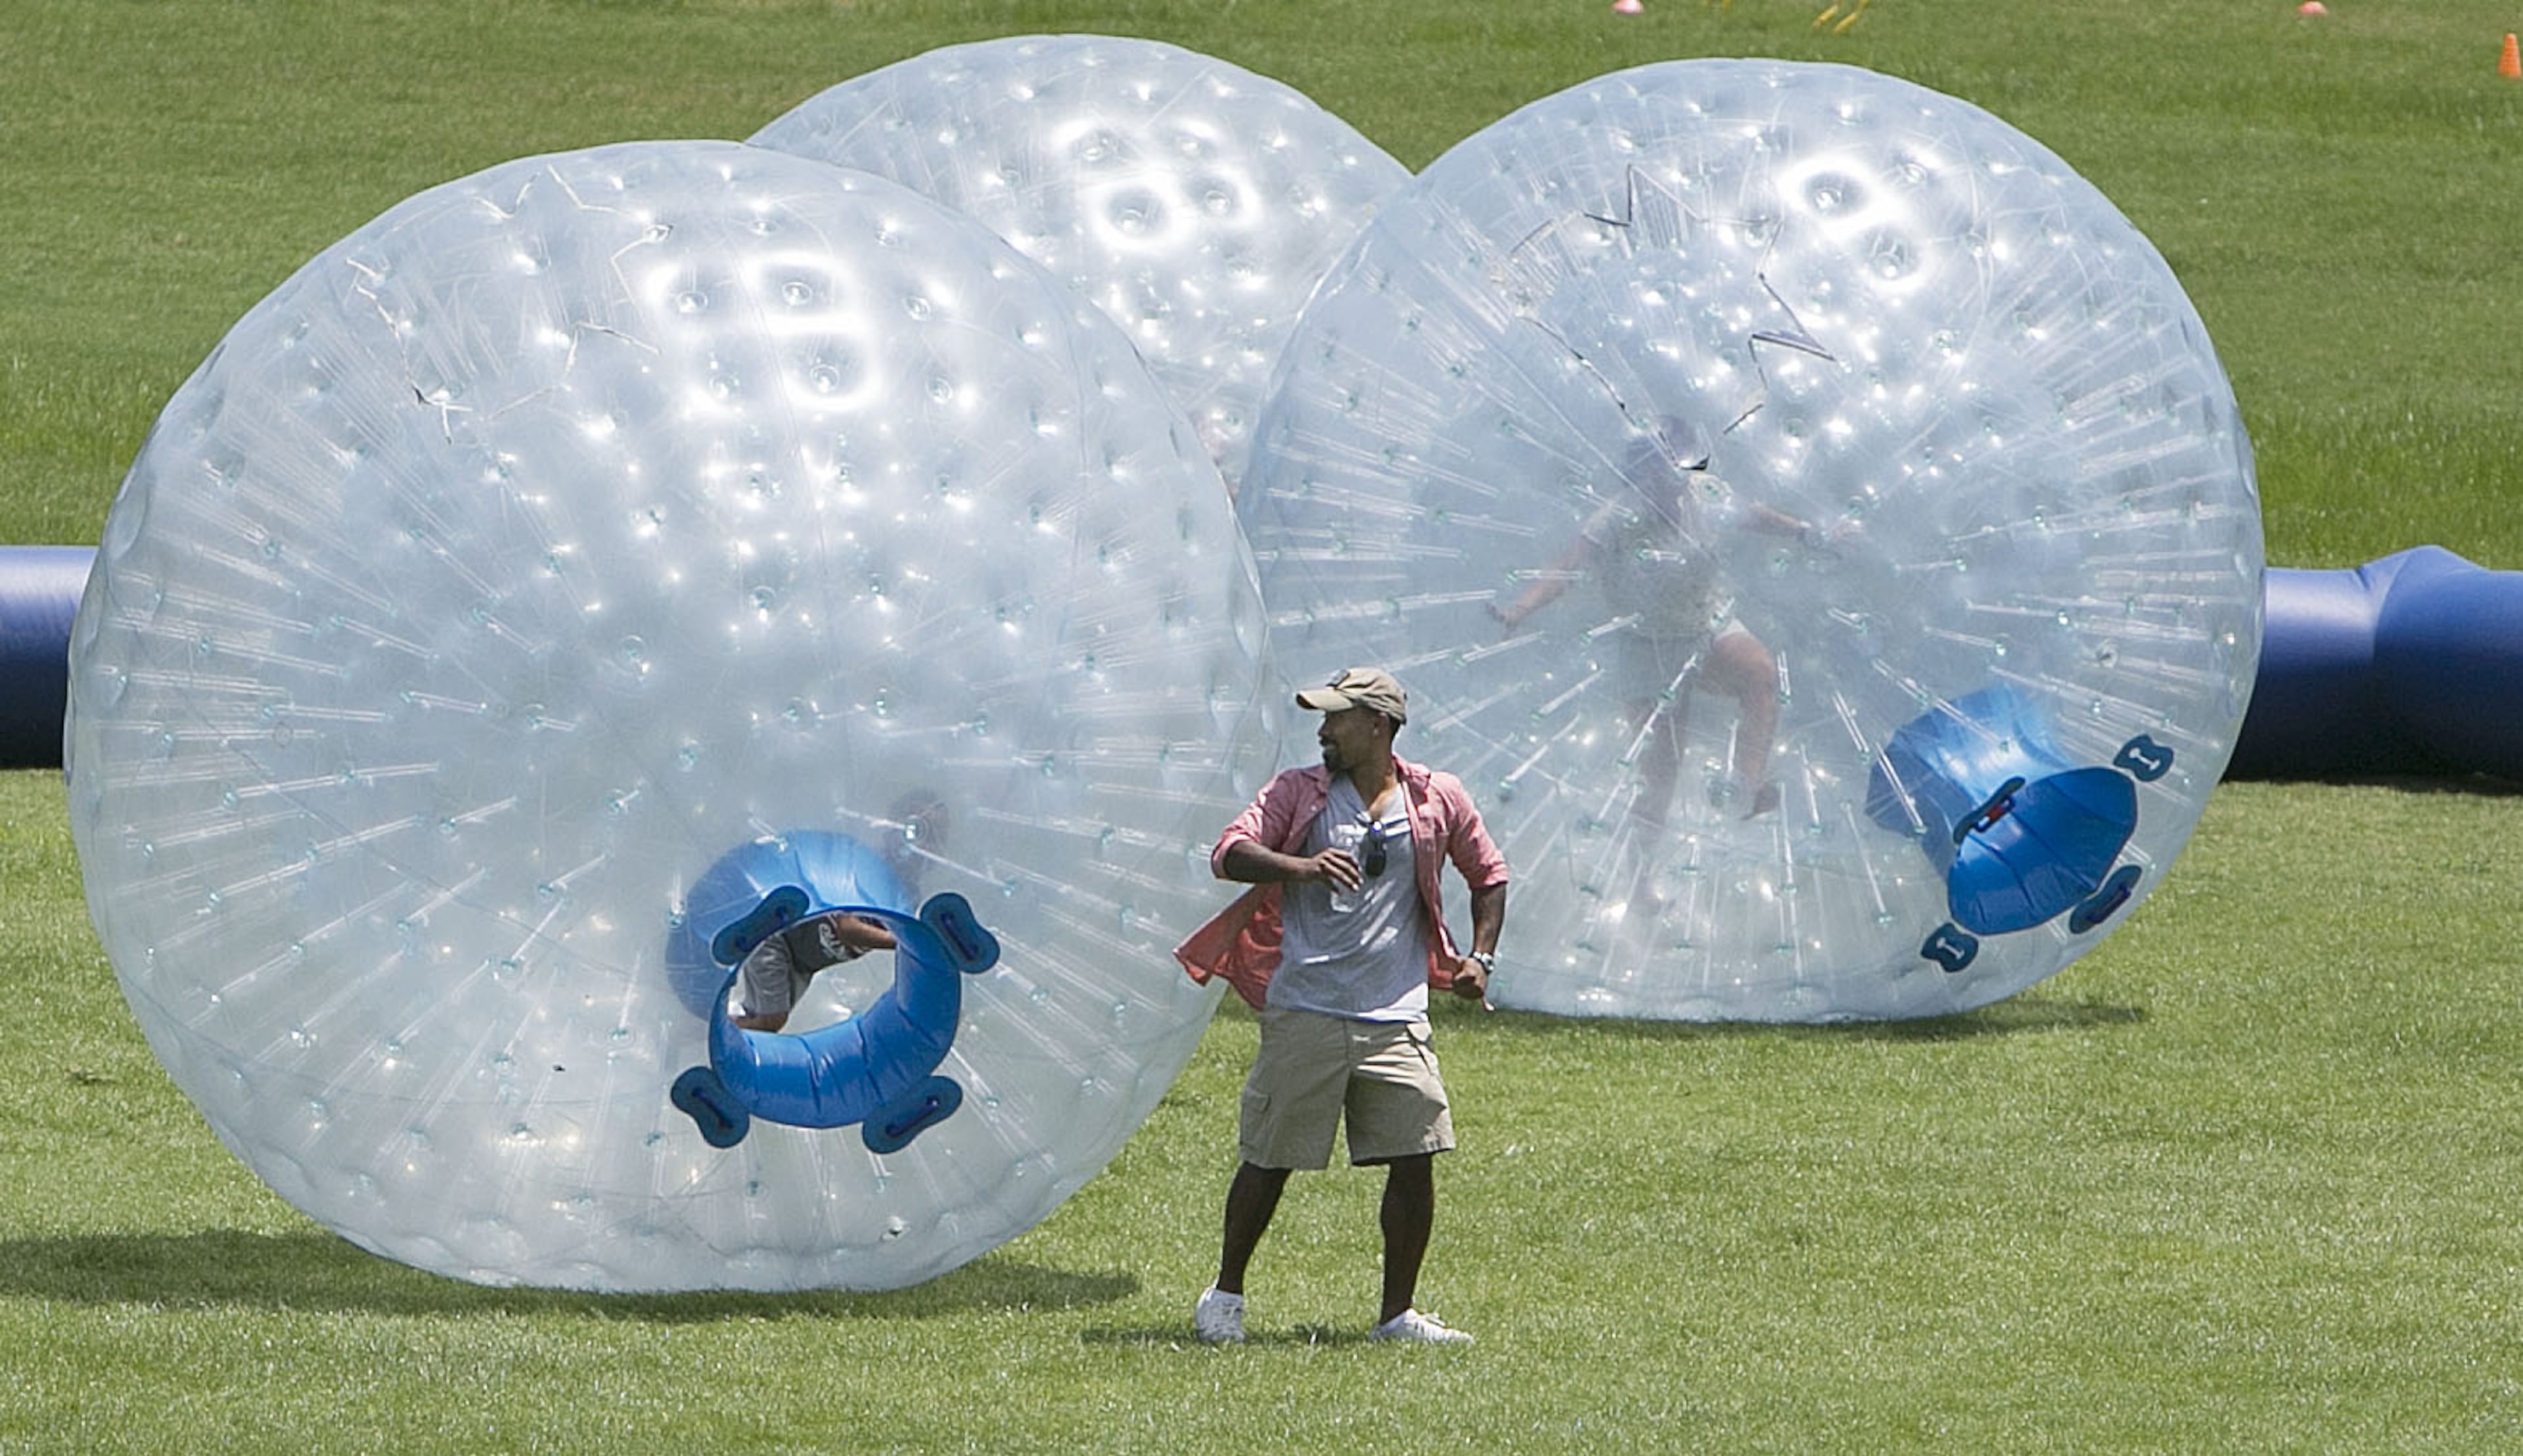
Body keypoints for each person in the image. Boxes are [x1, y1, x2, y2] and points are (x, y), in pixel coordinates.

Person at [1173, 666, 1509, 1346]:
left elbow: (1489, 875)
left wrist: (1480, 958)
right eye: (1322, 720)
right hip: (1307, 1009)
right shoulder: (1299, 791)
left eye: (1337, 718)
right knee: (1270, 1158)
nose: (1323, 731)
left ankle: (1396, 1315)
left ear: (1378, 725)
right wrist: (1302, 865)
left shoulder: (1437, 796)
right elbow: (1229, 852)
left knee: (1415, 1159)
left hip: (1398, 1015)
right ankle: (1226, 1294)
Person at [1493, 422, 1832, 834]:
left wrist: (1804, 533)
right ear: (1642, 471)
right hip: (1646, 646)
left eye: (1682, 467)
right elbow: (1568, 567)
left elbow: (1750, 515)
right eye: (1661, 468)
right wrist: (1521, 608)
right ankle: (1641, 885)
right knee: (1659, 779)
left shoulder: (1705, 494)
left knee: (1760, 673)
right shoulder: (1616, 517)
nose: (1673, 478)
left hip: (1707, 623)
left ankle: (1747, 787)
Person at [731, 907, 899, 1033]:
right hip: (778, 941)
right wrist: (899, 942)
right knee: (772, 1020)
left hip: (801, 968)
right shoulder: (871, 903)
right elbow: (847, 930)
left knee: (761, 1020)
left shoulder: (889, 920)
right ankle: (718, 1029)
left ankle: (729, 1025)